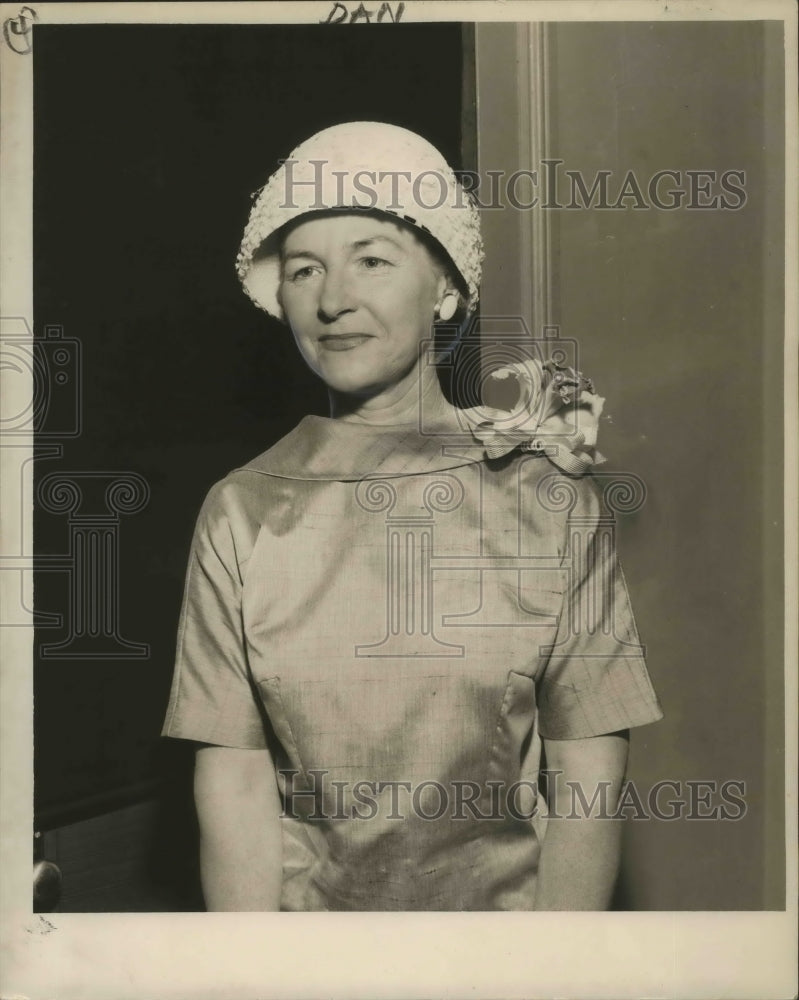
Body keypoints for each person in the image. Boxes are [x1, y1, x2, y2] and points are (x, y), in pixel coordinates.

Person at [161, 121, 663, 911]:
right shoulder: (241, 510)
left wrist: (561, 974)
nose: (332, 299)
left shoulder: (547, 499)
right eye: (303, 270)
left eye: (372, 259)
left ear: (446, 288)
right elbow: (233, 782)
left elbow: (589, 772)